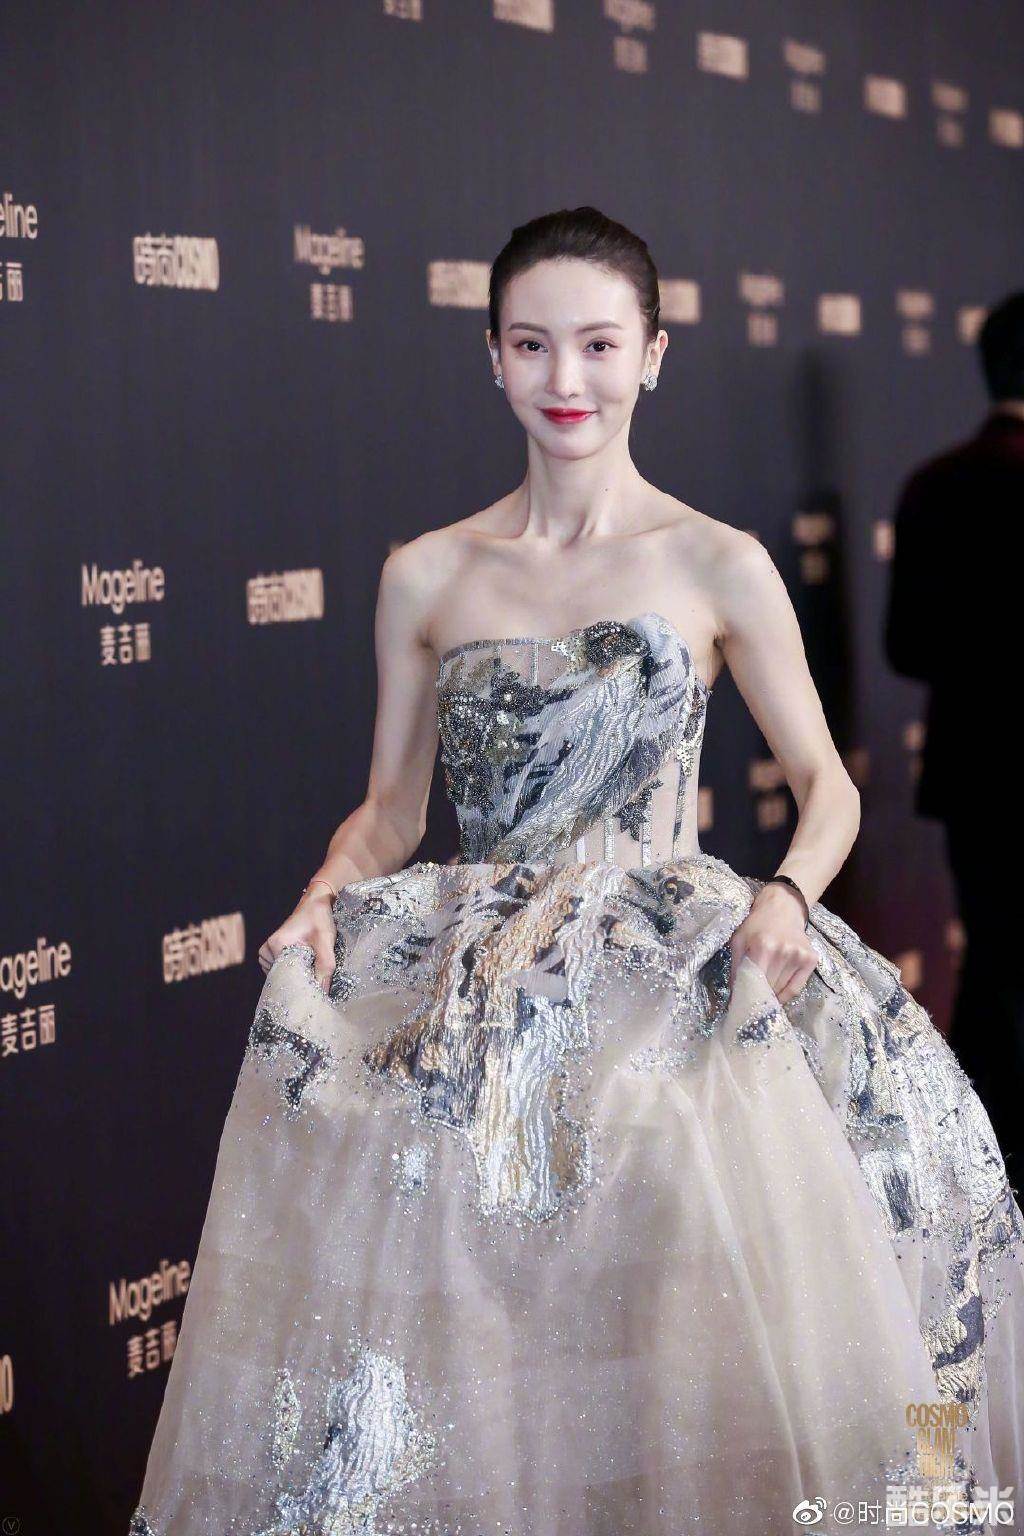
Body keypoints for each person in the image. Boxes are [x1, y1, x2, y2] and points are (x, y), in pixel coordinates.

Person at [129, 209, 1024, 1536]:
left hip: (675, 989)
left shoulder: (717, 561)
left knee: (695, 1340)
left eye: (600, 345)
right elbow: (390, 815)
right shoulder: (426, 574)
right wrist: (323, 895)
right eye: (533, 344)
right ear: (492, 356)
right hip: (483, 1003)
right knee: (482, 1349)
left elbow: (828, 786)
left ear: (652, 355)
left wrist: (787, 896)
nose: (567, 379)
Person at [885, 291, 1024, 1205]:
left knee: (992, 961)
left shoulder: (934, 484)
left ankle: (973, 1163)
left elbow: (906, 648)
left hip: (975, 774)